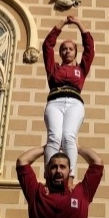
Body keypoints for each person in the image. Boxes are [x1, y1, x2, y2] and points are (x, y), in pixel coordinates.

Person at [42, 16, 94, 179]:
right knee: (54, 137)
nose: (67, 51)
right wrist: (62, 24)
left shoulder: (81, 69)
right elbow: (47, 46)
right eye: (64, 49)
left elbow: (90, 48)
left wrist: (79, 23)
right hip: (55, 103)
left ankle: (70, 176)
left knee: (68, 137)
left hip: (74, 103)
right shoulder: (53, 68)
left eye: (71, 49)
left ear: (75, 53)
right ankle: (49, 176)